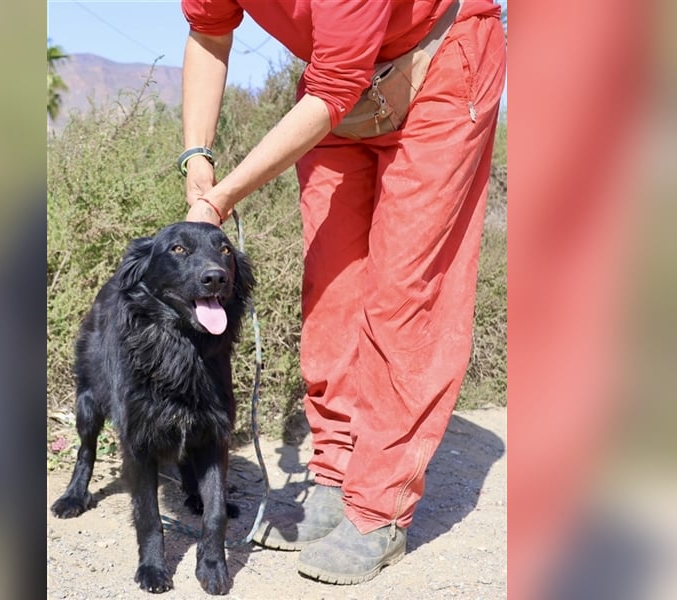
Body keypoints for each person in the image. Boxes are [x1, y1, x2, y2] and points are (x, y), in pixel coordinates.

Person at [179, 0, 506, 585]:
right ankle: (336, 473)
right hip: (341, 83)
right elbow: (208, 33)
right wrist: (196, 152)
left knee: (403, 293)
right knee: (330, 286)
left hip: (440, 63)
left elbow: (331, 91)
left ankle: (380, 505)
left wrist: (221, 198)